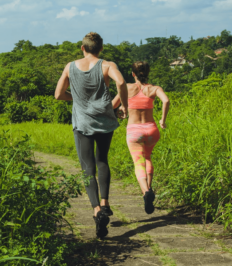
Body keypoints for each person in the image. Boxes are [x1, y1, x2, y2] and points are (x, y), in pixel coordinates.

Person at [55, 32, 128, 239]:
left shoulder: (70, 67)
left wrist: (77, 99)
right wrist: (124, 106)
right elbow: (121, 84)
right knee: (102, 160)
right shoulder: (107, 65)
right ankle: (105, 203)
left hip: (82, 122)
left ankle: (96, 210)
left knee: (87, 168)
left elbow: (58, 94)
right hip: (104, 120)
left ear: (82, 48)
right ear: (101, 49)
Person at [112, 61, 170, 214]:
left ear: (133, 74)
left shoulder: (127, 88)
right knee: (148, 158)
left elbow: (112, 105)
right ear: (148, 73)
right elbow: (166, 100)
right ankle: (149, 189)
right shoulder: (154, 89)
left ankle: (145, 192)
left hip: (134, 131)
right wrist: (163, 120)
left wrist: (120, 109)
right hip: (151, 130)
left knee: (139, 162)